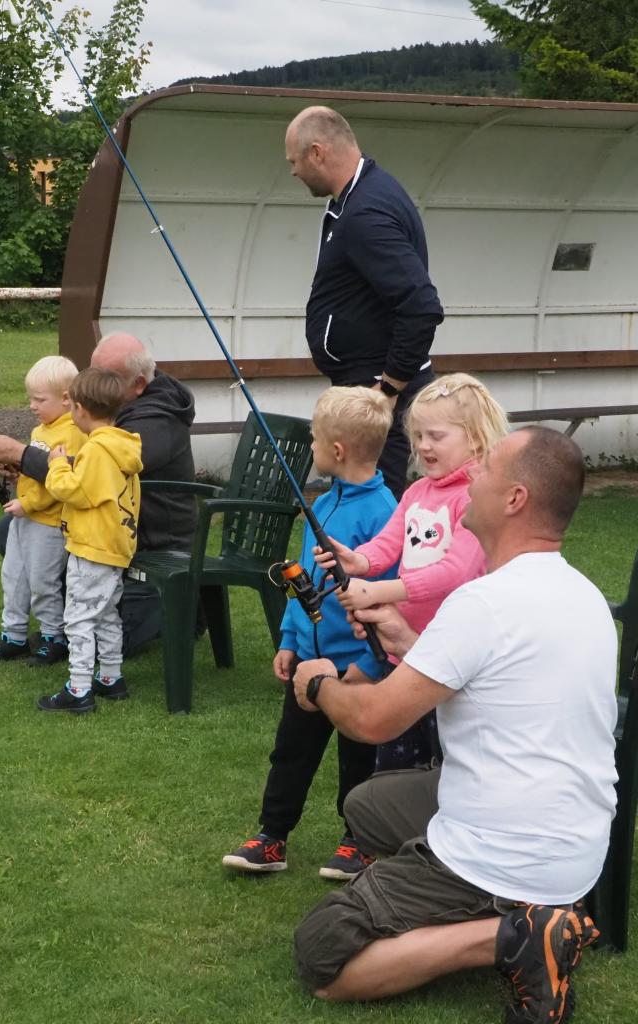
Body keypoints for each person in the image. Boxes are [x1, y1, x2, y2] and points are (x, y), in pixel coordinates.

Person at [291, 426, 617, 1024]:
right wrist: (404, 638)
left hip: (506, 855)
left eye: (485, 470)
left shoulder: (482, 604)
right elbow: (492, 682)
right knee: (367, 806)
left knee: (323, 951)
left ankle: (515, 935)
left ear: (515, 499)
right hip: (574, 844)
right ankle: (533, 913)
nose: (470, 480)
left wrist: (317, 684)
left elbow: (372, 719)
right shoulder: (583, 594)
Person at [222, 387, 397, 881]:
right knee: (291, 751)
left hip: (357, 667)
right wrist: (289, 639)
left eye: (315, 440)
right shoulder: (320, 502)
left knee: (358, 756)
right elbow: (302, 578)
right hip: (307, 662)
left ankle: (359, 840)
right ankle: (272, 836)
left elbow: (387, 595)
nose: (312, 448)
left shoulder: (384, 512)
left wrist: (369, 666)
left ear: (336, 450)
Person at [315, 373, 507, 768]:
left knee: (447, 761)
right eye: (418, 435)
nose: (423, 445)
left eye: (436, 436)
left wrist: (377, 592)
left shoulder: (475, 498)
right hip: (402, 653)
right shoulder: (418, 491)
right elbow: (387, 544)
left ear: (475, 438)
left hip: (451, 657)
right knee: (396, 761)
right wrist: (358, 561)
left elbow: (455, 572)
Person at [0, 332, 197, 656]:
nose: (91, 385)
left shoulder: (154, 422)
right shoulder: (113, 406)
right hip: (99, 528)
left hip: (145, 543)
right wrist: (25, 470)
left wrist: (22, 455)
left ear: (138, 384)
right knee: (11, 529)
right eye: (89, 373)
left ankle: (157, 613)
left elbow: (89, 477)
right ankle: (60, 616)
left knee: (104, 643)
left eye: (104, 377)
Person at [285, 105, 444, 501]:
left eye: (294, 161)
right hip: (362, 387)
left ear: (317, 153)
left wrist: (387, 389)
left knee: (372, 514)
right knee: (359, 508)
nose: (293, 172)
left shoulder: (365, 211)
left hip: (375, 393)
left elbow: (421, 305)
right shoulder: (364, 195)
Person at [37, 367, 143, 714]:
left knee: (79, 618)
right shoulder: (120, 445)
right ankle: (111, 677)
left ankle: (79, 688)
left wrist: (57, 465)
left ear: (80, 409)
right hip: (114, 546)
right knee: (106, 613)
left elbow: (75, 491)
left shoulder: (97, 450)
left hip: (92, 548)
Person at [0, 355, 85, 668]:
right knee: (13, 577)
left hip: (49, 525)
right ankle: (13, 636)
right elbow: (36, 473)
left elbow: (60, 484)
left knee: (42, 582)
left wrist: (28, 504)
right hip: (24, 519)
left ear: (66, 399)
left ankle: (54, 637)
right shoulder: (41, 431)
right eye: (30, 399)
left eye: (39, 399)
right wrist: (16, 473)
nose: (32, 406)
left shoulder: (72, 433)